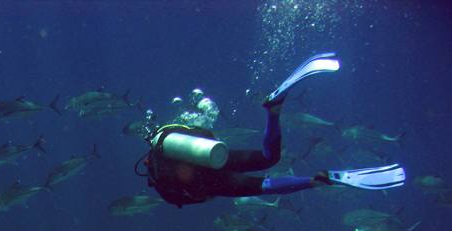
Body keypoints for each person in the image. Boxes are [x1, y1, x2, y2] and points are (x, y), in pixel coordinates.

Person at [143, 53, 404, 208]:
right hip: (216, 156)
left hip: (212, 180)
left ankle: (317, 180)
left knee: (266, 185)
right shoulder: (169, 140)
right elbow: (202, 133)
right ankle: (273, 110)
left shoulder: (162, 184)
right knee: (270, 158)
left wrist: (204, 189)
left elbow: (192, 196)